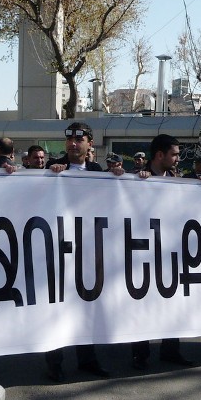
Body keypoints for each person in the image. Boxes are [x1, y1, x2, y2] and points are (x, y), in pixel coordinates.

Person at [43, 122, 122, 381]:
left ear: (89, 143)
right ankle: (54, 362)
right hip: (60, 247)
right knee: (58, 307)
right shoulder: (53, 167)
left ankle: (87, 358)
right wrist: (51, 175)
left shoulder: (98, 171)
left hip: (88, 249)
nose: (73, 144)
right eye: (69, 139)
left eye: (79, 140)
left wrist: (120, 178)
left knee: (87, 306)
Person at [130, 134, 201, 370]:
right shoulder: (136, 179)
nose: (177, 159)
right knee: (143, 304)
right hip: (144, 251)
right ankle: (140, 354)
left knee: (172, 303)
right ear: (159, 155)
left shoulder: (178, 180)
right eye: (174, 154)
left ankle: (170, 349)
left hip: (171, 252)